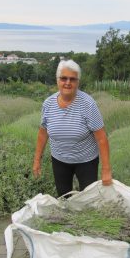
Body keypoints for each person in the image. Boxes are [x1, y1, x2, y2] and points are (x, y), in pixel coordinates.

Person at [32, 60, 112, 197]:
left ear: (78, 82)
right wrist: (37, 160)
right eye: (63, 78)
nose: (68, 82)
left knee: (88, 198)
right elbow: (43, 133)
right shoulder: (48, 104)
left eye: (72, 79)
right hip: (59, 160)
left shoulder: (88, 104)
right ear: (57, 80)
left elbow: (101, 138)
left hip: (86, 161)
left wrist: (106, 169)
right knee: (64, 198)